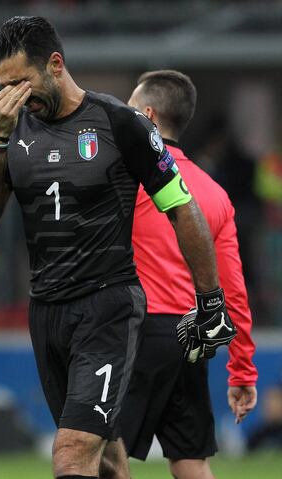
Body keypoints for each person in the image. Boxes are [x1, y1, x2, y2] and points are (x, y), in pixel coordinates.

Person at [0, 17, 235, 479]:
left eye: (20, 82)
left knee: (71, 452)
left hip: (107, 307)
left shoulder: (120, 123)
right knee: (106, 456)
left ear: (55, 64)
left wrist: (210, 299)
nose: (11, 97)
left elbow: (181, 208)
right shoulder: (10, 132)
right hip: (46, 312)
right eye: (2, 86)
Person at [105, 70, 257, 479]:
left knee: (101, 449)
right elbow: (233, 290)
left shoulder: (128, 179)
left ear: (148, 117)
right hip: (190, 336)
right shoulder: (215, 193)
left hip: (137, 331)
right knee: (190, 460)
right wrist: (242, 369)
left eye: (131, 112)